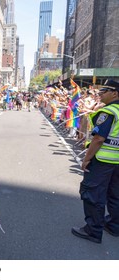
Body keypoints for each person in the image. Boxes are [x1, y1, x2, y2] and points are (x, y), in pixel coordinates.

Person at [72, 79, 119, 244]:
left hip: (102, 160)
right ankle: (114, 226)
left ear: (115, 93)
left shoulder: (109, 112)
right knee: (115, 195)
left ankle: (93, 230)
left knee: (93, 194)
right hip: (117, 163)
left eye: (104, 91)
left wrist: (87, 159)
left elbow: (98, 139)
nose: (100, 94)